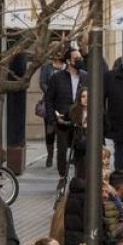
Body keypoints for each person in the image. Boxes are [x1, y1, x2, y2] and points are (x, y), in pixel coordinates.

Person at [44, 47, 88, 176]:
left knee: (81, 149)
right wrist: (52, 119)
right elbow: (49, 99)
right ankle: (62, 176)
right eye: (76, 59)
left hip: (81, 119)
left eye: (81, 58)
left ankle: (80, 176)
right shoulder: (57, 78)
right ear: (68, 61)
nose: (79, 61)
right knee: (62, 150)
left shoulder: (86, 76)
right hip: (62, 120)